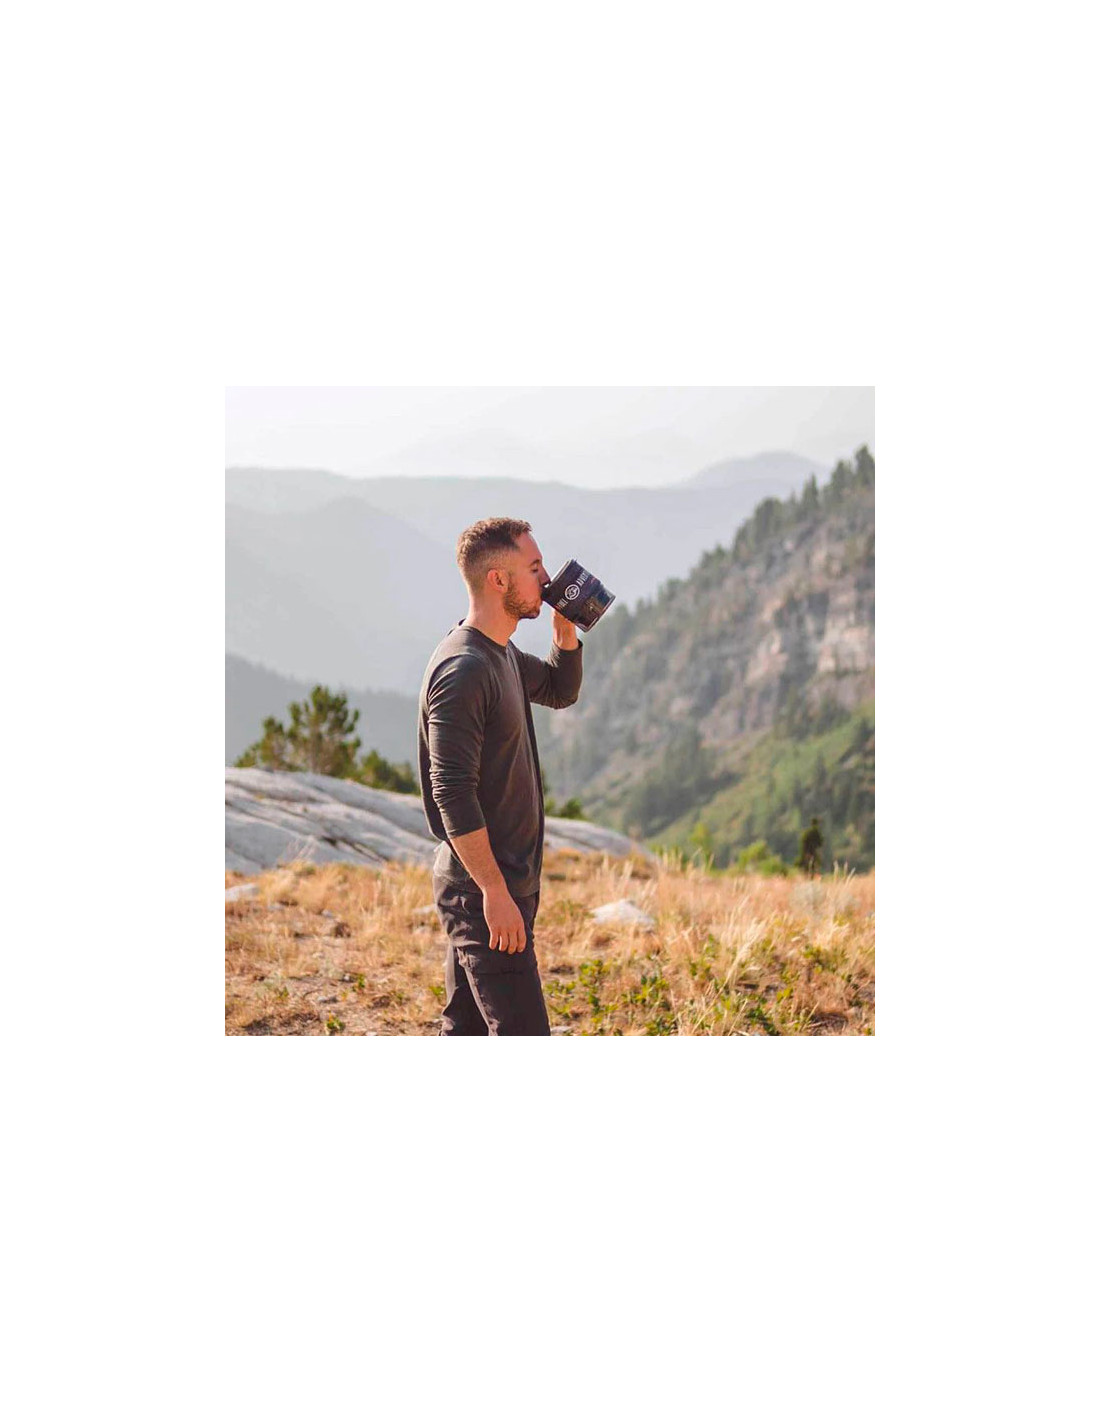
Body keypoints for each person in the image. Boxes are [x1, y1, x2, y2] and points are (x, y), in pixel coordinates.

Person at [417, 517, 584, 1035]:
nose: (547, 579)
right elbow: (451, 792)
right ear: (498, 580)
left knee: (465, 1031)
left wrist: (565, 637)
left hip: (499, 887)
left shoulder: (501, 651)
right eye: (534, 568)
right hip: (483, 893)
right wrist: (494, 892)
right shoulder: (464, 669)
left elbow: (558, 689)